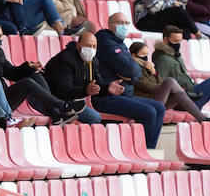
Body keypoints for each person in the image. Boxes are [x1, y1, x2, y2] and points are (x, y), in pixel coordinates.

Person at [43, 17, 166, 148]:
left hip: (97, 96)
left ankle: (150, 149)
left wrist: (108, 87)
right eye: (88, 46)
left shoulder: (94, 59)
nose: (91, 49)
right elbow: (62, 90)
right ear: (78, 46)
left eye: (94, 46)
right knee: (148, 112)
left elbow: (99, 83)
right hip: (64, 101)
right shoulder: (65, 60)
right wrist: (86, 90)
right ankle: (141, 151)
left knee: (159, 107)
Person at [0, 19, 76, 124]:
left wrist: (29, 67)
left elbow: (12, 73)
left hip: (5, 96)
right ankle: (62, 105)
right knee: (27, 83)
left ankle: (56, 115)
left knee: (34, 75)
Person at [131, 41, 210, 121]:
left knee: (179, 95)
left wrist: (154, 73)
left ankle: (203, 119)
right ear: (133, 55)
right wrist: (166, 88)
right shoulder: (132, 69)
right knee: (169, 82)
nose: (145, 57)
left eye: (146, 54)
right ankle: (187, 94)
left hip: (155, 100)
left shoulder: (147, 67)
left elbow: (159, 82)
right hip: (146, 103)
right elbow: (148, 87)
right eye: (143, 54)